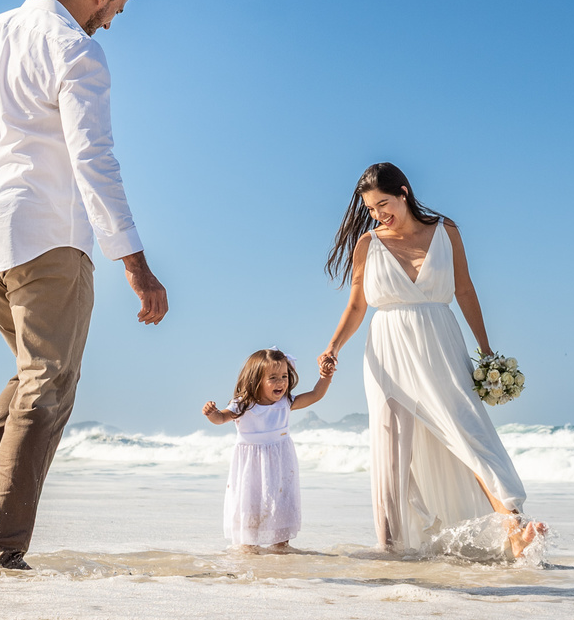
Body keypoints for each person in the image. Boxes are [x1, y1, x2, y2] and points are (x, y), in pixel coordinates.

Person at [0, 0, 168, 570]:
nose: (110, 22)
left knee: (38, 370)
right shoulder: (75, 48)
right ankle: (0, 546)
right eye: (115, 9)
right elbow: (94, 158)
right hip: (45, 236)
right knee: (50, 383)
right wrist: (135, 262)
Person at [320, 162, 545, 558]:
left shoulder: (445, 232)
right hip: (388, 353)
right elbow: (356, 306)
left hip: (440, 342)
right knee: (391, 451)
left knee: (469, 433)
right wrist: (333, 347)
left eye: (383, 204)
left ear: (404, 192)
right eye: (371, 209)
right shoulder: (368, 245)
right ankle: (391, 547)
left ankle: (513, 528)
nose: (378, 215)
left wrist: (487, 351)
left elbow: (465, 290)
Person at [203, 349, 335, 551]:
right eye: (273, 378)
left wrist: (325, 377)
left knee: (280, 505)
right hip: (250, 468)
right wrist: (212, 413)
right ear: (256, 380)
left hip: (281, 465)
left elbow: (316, 395)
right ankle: (248, 549)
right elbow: (221, 418)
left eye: (284, 376)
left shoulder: (285, 403)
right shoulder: (243, 405)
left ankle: (280, 549)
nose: (281, 382)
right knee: (250, 506)